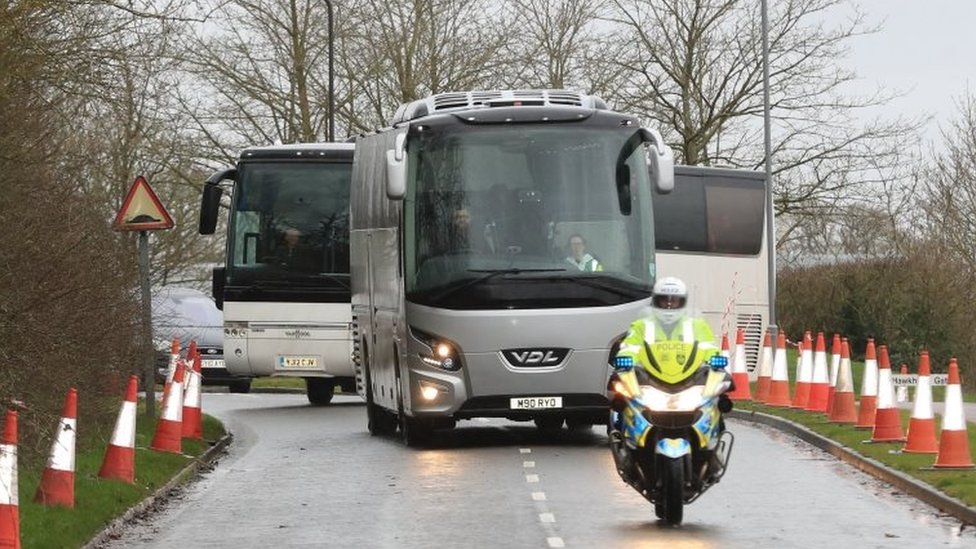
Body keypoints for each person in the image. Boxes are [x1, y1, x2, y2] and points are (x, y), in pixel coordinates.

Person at [612, 277, 733, 474]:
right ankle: (625, 446)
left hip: (687, 379)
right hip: (652, 379)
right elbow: (629, 347)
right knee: (621, 398)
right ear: (656, 301)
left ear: (682, 302)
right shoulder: (642, 326)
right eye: (664, 300)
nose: (669, 305)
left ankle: (713, 452)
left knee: (716, 399)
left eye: (674, 301)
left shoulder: (696, 326)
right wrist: (624, 359)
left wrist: (716, 360)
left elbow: (709, 348)